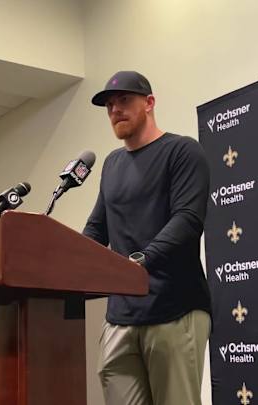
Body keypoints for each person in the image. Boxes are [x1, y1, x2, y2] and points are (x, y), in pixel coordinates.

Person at [83, 71, 211, 405]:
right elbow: (97, 228)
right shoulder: (111, 164)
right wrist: (70, 263)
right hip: (119, 317)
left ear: (149, 103)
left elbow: (187, 220)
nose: (115, 110)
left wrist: (138, 262)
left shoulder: (182, 151)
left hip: (174, 308)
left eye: (124, 100)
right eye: (109, 106)